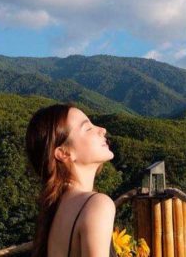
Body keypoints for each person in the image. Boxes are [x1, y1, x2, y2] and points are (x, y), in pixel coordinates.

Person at [25, 103, 117, 257]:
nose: (102, 130)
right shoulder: (96, 205)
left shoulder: (55, 207)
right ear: (64, 153)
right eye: (88, 128)